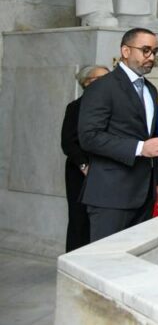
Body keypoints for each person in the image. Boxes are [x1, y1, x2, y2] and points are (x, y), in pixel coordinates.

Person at [78, 29, 158, 241]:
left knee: (134, 263)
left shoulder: (151, 89)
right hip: (110, 195)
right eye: (145, 50)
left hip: (145, 194)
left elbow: (151, 137)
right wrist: (139, 148)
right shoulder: (102, 87)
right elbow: (89, 137)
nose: (151, 57)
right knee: (105, 263)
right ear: (125, 51)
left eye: (155, 52)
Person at [61, 65, 110, 251]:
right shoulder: (75, 108)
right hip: (81, 172)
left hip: (106, 171)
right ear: (87, 83)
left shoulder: (111, 106)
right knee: (79, 219)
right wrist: (84, 166)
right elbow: (68, 143)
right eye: (102, 78)